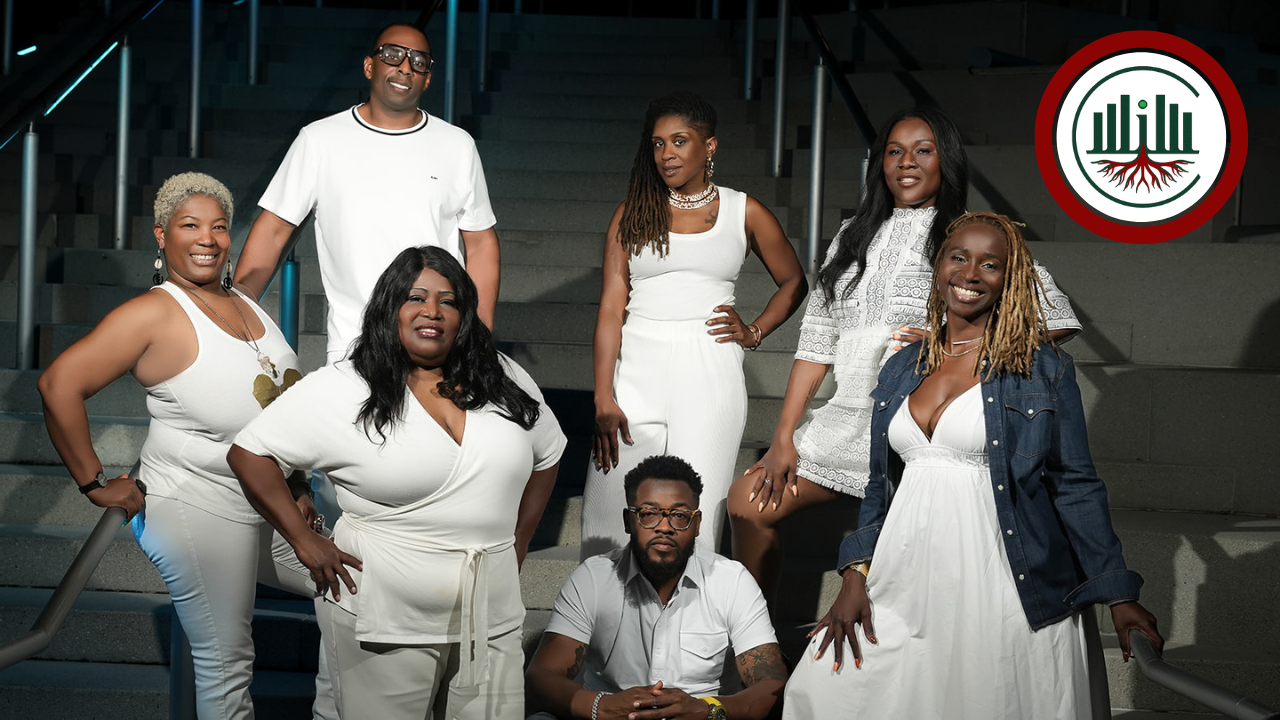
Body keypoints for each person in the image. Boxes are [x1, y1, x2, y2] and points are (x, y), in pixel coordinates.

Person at [781, 211, 1163, 719]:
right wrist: (854, 574)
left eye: (990, 264)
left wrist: (1117, 594)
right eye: (958, 258)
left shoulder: (1040, 367)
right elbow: (881, 486)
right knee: (826, 694)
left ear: (1011, 279)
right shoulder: (901, 366)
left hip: (1003, 579)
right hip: (904, 574)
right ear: (939, 266)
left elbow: (1075, 484)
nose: (970, 274)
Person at [728, 107, 1083, 603]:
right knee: (746, 503)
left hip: (916, 427)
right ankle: (756, 639)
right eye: (895, 151)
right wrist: (783, 438)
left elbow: (1058, 317)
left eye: (923, 150)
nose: (907, 161)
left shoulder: (967, 234)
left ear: (946, 161)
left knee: (901, 556)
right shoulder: (850, 237)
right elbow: (816, 342)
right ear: (881, 162)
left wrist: (954, 343)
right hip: (845, 422)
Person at [38, 172, 334, 720]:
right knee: (227, 664)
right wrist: (94, 483)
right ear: (162, 234)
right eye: (190, 225)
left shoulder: (245, 302)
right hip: (197, 505)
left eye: (219, 227)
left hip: (267, 503)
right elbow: (59, 384)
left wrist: (296, 483)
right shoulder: (154, 313)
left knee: (354, 596)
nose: (207, 238)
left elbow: (274, 411)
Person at [228, 246, 565, 720]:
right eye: (416, 297)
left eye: (448, 301)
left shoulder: (502, 376)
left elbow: (549, 452)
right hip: (384, 618)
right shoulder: (346, 387)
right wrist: (302, 539)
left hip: (490, 615)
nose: (433, 311)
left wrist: (519, 542)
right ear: (391, 307)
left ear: (464, 314)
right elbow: (250, 453)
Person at [583, 92, 808, 558]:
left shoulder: (743, 211)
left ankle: (691, 608)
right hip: (637, 366)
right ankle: (606, 608)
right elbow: (610, 309)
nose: (666, 153)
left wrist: (755, 331)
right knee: (606, 521)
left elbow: (793, 281)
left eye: (680, 141)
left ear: (709, 146)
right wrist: (603, 394)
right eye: (658, 143)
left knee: (694, 521)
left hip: (709, 368)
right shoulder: (632, 212)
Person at [235, 21, 501, 363]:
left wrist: (478, 336)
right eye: (392, 55)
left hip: (437, 343)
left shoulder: (457, 145)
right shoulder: (320, 140)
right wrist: (237, 313)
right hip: (354, 345)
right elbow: (274, 230)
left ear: (427, 78)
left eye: (418, 61)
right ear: (369, 66)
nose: (405, 67)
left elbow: (481, 242)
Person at [527, 455, 788, 720]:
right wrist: (602, 706)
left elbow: (772, 685)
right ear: (628, 521)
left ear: (697, 524)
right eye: (649, 514)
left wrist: (707, 709)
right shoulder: (593, 578)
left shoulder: (731, 581)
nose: (664, 527)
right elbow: (541, 677)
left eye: (679, 516)